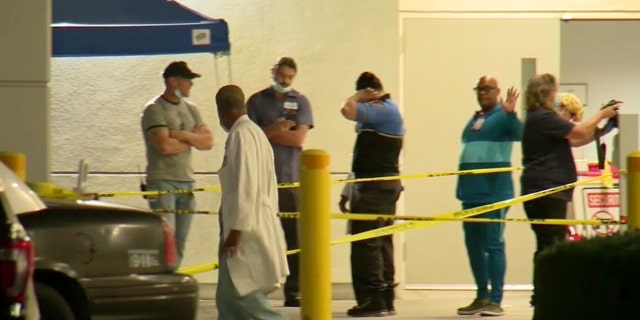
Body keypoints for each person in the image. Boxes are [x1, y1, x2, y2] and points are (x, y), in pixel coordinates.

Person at [520, 73, 620, 306]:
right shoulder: (543, 118)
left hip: (548, 189)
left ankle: (546, 292)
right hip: (546, 190)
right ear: (546, 93)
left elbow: (576, 139)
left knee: (550, 242)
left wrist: (602, 128)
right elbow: (577, 132)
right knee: (550, 244)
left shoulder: (541, 119)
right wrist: (602, 114)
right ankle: (545, 295)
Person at [214, 84, 289, 319]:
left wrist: (236, 231)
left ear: (221, 111)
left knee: (245, 302)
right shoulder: (256, 133)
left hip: (245, 233)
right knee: (229, 301)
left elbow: (245, 186)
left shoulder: (241, 135)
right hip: (253, 226)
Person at [246, 57, 314, 307]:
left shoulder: (300, 101)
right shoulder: (256, 101)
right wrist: (278, 128)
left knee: (293, 238)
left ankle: (294, 292)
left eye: (289, 77)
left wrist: (270, 131)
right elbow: (250, 137)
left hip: (290, 181)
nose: (284, 81)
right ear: (273, 73)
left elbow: (299, 140)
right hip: (262, 180)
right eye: (281, 75)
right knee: (258, 236)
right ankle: (257, 292)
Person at [455, 76, 522, 317]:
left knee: (494, 244)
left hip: (494, 192)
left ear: (497, 91)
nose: (482, 92)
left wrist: (512, 114)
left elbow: (519, 134)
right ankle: (481, 295)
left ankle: (496, 300)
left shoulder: (503, 117)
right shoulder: (475, 119)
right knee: (473, 245)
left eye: (487, 89)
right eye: (479, 89)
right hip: (470, 193)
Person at [340, 72, 404, 317]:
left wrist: (357, 97)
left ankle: (374, 298)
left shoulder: (382, 109)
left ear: (370, 93)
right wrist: (347, 190)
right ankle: (385, 299)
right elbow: (361, 157)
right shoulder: (383, 113)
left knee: (367, 244)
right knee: (381, 243)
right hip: (374, 186)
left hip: (375, 189)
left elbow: (346, 109)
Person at [140, 61, 213, 266]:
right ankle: (161, 280)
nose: (191, 85)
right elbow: (163, 146)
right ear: (173, 82)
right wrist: (192, 140)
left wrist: (180, 135)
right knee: (166, 240)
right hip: (162, 182)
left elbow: (208, 142)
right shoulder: (154, 109)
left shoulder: (191, 109)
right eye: (187, 80)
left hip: (186, 182)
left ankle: (172, 277)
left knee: (180, 241)